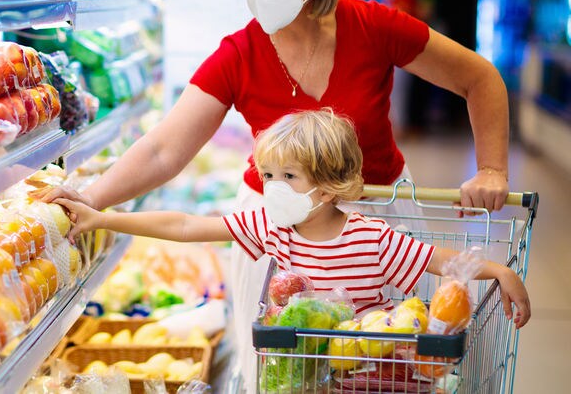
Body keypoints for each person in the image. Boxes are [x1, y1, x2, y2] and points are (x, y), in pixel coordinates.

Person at [32, 0, 511, 388]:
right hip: (277, 230)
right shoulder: (240, 54)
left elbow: (480, 79)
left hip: (376, 226)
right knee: (286, 374)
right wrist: (91, 199)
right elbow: (164, 149)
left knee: (389, 367)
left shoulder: (374, 27)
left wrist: (492, 169)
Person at [55, 109, 531, 326]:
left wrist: (498, 270)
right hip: (299, 373)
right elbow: (183, 226)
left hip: (364, 373)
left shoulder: (373, 238)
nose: (272, 187)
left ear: (326, 188)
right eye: (267, 175)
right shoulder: (270, 226)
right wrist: (102, 217)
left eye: (288, 176)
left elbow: (437, 260)